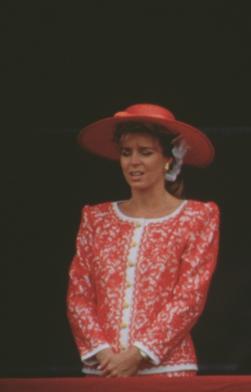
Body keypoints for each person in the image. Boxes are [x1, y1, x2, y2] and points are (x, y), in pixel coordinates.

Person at [67, 103, 219, 377]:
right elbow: (79, 294)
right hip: (104, 370)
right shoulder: (96, 218)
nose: (133, 161)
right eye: (126, 153)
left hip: (168, 370)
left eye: (145, 152)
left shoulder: (198, 216)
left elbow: (189, 297)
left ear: (169, 159)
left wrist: (138, 353)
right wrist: (104, 354)